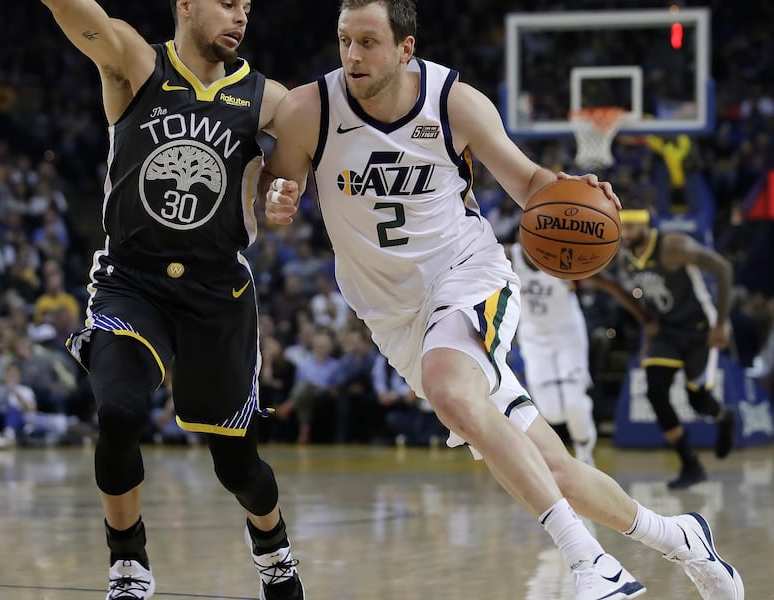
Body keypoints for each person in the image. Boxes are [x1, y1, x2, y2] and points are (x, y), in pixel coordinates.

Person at [260, 2, 744, 598]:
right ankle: (680, 538)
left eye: (368, 42)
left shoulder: (452, 102)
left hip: (467, 275)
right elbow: (280, 188)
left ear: (405, 49)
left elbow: (527, 182)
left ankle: (591, 563)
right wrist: (279, 200)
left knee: (447, 385)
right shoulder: (310, 109)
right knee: (556, 470)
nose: (353, 55)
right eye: (344, 41)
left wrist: (576, 190)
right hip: (391, 315)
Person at [40, 1, 304, 598]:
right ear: (186, 4)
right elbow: (84, 17)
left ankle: (273, 549)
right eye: (227, 3)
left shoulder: (270, 98)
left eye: (248, 8)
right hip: (132, 280)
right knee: (119, 411)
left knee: (239, 468)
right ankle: (128, 563)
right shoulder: (135, 63)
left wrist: (285, 193)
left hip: (217, 291)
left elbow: (300, 160)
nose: (241, 16)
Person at [591, 204, 738, 489]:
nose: (628, 234)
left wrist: (721, 324)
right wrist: (646, 321)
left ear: (647, 226)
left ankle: (723, 416)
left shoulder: (674, 245)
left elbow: (724, 268)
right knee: (655, 392)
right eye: (624, 228)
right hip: (666, 331)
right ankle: (690, 465)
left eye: (633, 227)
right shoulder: (625, 259)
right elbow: (626, 294)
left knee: (696, 400)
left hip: (699, 330)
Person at [506, 242, 598, 466]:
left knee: (574, 405)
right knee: (551, 413)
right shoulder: (509, 257)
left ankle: (585, 455)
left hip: (567, 334)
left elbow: (599, 277)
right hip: (533, 337)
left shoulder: (565, 254)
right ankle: (583, 406)